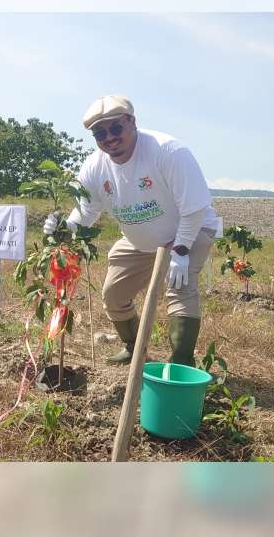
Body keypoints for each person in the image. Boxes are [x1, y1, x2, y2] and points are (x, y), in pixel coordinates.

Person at [44, 95, 221, 366]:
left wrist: (181, 249)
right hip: (140, 239)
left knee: (179, 288)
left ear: (132, 122)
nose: (110, 138)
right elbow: (86, 213)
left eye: (116, 128)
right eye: (100, 133)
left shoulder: (167, 151)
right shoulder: (95, 167)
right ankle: (135, 349)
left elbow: (195, 209)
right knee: (113, 294)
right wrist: (63, 228)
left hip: (190, 230)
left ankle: (181, 365)